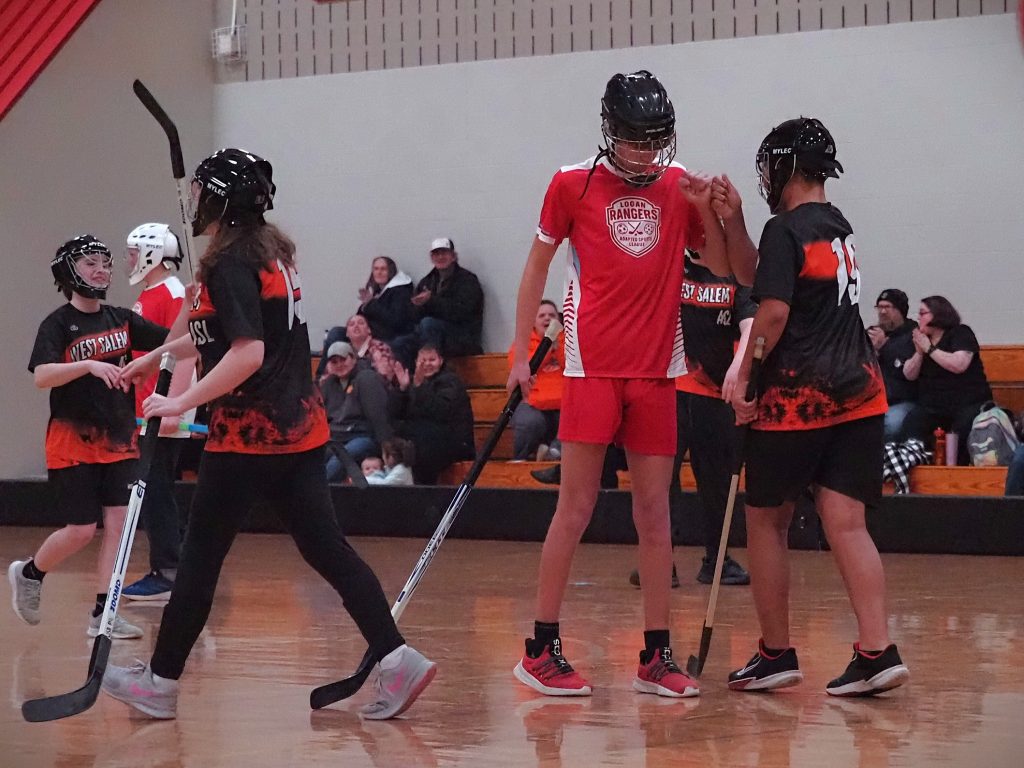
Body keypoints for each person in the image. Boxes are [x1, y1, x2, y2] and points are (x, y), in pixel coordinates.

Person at [101, 148, 435, 720]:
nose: (198, 202)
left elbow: (247, 351)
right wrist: (155, 354)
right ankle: (397, 659)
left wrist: (180, 400)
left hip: (248, 438)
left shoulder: (228, 264)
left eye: (206, 192)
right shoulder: (270, 252)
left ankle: (159, 682)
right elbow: (222, 331)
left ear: (223, 201)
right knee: (324, 547)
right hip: (299, 432)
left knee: (201, 557)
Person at [508, 70, 733, 699]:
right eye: (634, 140)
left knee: (655, 514)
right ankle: (540, 648)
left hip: (660, 370)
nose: (644, 151)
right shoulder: (571, 183)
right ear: (610, 132)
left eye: (653, 140)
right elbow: (536, 267)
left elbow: (716, 265)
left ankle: (656, 656)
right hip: (590, 367)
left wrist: (714, 210)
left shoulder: (676, 183)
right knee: (575, 507)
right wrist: (518, 351)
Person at [726, 117, 909, 697]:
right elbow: (770, 281)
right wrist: (733, 224)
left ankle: (775, 653)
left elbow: (773, 313)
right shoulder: (838, 226)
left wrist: (748, 376)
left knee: (766, 521)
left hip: (799, 402)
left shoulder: (785, 228)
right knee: (848, 525)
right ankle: (877, 651)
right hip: (860, 394)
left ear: (782, 167)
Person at [9, 235, 169, 641]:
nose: (101, 269)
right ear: (69, 272)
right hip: (72, 439)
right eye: (90, 263)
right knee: (81, 529)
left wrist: (196, 302)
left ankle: (104, 612)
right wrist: (89, 367)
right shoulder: (58, 324)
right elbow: (42, 375)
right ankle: (29, 573)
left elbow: (172, 341)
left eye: (106, 262)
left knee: (118, 524)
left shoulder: (122, 318)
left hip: (119, 438)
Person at [628, 248, 754, 588]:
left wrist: (738, 365)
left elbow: (751, 324)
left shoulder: (734, 276)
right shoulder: (669, 265)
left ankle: (717, 560)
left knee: (716, 484)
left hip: (715, 396)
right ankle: (660, 560)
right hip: (667, 390)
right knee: (661, 480)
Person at [121, 223, 196, 602]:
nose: (129, 260)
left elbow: (189, 348)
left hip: (165, 407)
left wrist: (174, 407)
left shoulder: (173, 292)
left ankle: (168, 572)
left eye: (134, 252)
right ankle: (170, 568)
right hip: (150, 405)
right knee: (152, 488)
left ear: (151, 252)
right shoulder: (150, 293)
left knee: (155, 488)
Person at [900, 296, 993, 465]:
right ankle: (914, 467)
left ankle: (960, 473)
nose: (918, 318)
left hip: (966, 402)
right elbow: (909, 374)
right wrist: (920, 353)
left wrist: (929, 349)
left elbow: (959, 365)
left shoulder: (960, 333)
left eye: (923, 313)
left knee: (963, 426)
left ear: (938, 314)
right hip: (933, 405)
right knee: (912, 422)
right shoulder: (920, 339)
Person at [391, 238, 484, 367]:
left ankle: (433, 374)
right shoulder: (426, 282)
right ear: (431, 257)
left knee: (429, 324)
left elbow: (462, 312)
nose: (440, 257)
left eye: (444, 253)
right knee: (399, 343)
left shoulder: (467, 280)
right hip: (430, 332)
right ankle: (410, 381)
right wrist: (416, 306)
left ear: (453, 256)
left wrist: (431, 301)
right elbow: (413, 317)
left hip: (462, 337)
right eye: (436, 254)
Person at [394, 343, 475, 484]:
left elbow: (440, 411)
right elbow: (400, 414)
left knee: (421, 445)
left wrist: (420, 387)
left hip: (455, 442)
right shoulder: (415, 382)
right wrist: (403, 389)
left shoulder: (451, 381)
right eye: (422, 360)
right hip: (427, 439)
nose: (427, 364)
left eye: (432, 360)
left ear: (441, 361)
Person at [508, 300, 564, 461]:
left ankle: (552, 453)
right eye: (542, 315)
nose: (547, 319)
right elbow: (524, 369)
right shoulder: (522, 343)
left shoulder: (568, 342)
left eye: (552, 315)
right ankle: (520, 460)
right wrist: (547, 348)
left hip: (563, 402)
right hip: (531, 401)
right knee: (530, 421)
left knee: (577, 417)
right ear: (533, 321)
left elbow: (573, 366)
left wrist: (558, 348)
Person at [866, 289, 918, 443]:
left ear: (900, 310)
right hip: (871, 402)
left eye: (887, 307)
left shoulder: (913, 335)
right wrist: (872, 352)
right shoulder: (872, 334)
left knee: (887, 426)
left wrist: (884, 347)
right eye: (879, 307)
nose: (882, 312)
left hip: (903, 401)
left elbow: (904, 371)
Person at [357, 256, 415, 341]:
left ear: (391, 272)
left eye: (383, 269)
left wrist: (371, 303)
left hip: (390, 337)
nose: (379, 272)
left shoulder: (401, 291)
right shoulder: (375, 290)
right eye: (376, 269)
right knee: (337, 332)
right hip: (369, 334)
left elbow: (396, 321)